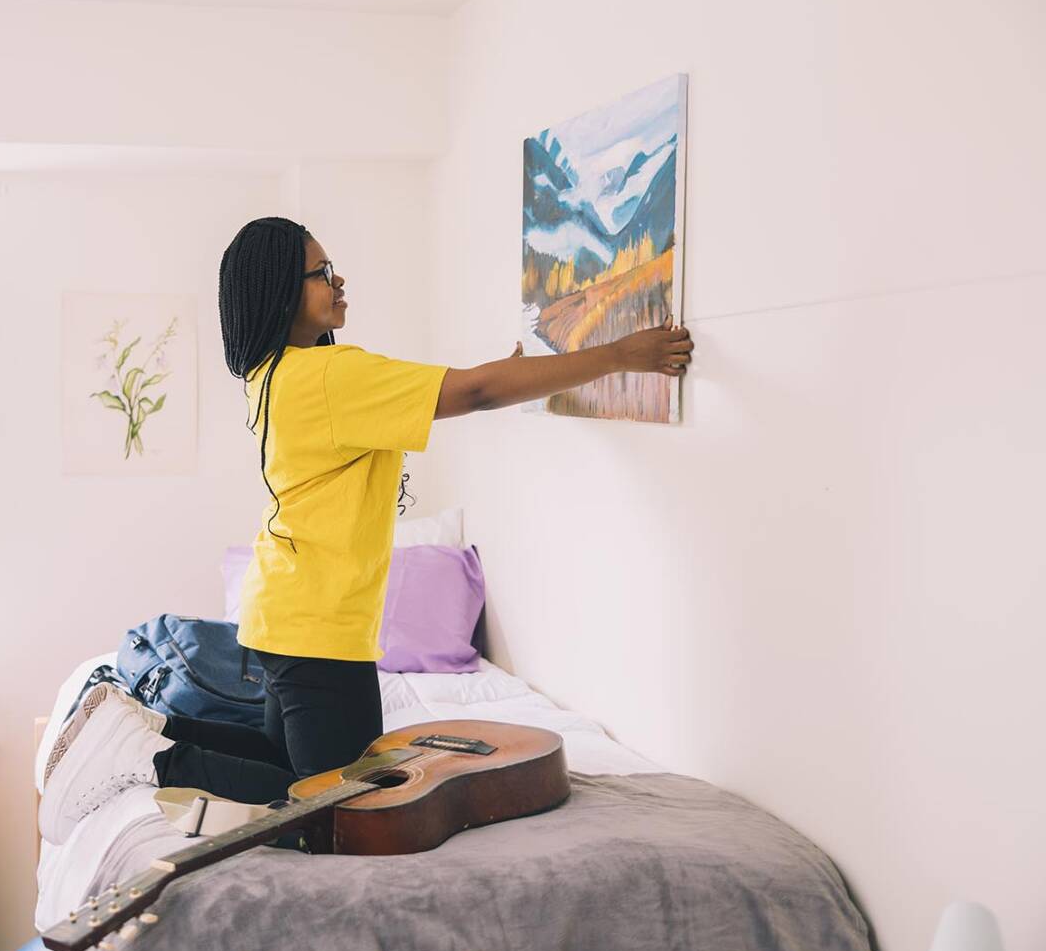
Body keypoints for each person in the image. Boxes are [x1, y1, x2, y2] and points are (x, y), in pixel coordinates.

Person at [39, 217, 692, 844]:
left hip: (291, 613)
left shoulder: (277, 374)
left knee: (281, 755)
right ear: (278, 291)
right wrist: (620, 354)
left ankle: (149, 725)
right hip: (320, 624)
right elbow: (476, 393)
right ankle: (152, 758)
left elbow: (463, 390)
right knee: (338, 803)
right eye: (319, 272)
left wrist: (509, 373)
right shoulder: (329, 377)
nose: (337, 280)